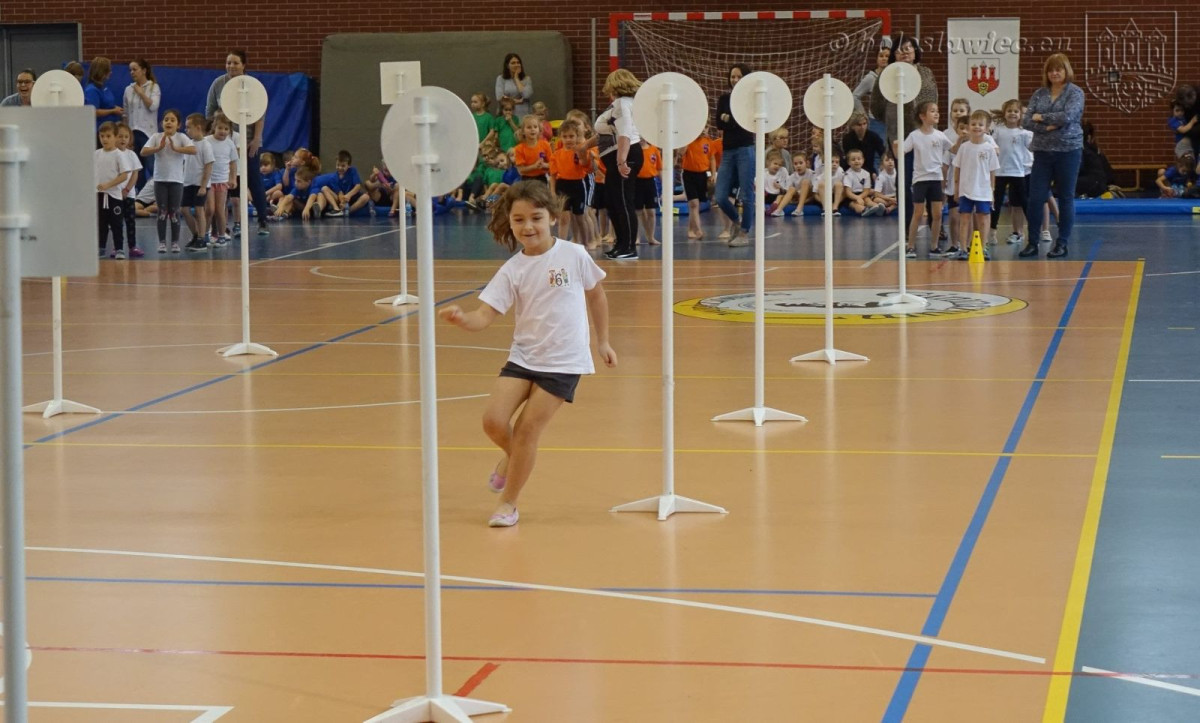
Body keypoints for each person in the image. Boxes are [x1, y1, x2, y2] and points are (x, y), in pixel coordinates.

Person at [437, 180, 616, 528]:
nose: (528, 226)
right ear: (510, 222)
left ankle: (509, 503)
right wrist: (463, 319)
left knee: (526, 432)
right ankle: (515, 458)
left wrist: (603, 341)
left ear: (552, 217)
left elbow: (597, 296)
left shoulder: (574, 255)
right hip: (523, 357)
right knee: (493, 421)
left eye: (535, 217)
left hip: (564, 361)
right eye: (519, 220)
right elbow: (484, 315)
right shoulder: (512, 269)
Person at [870, 33, 938, 233]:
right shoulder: (886, 75)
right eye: (899, 50)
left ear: (915, 51)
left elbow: (932, 101)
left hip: (924, 135)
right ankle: (908, 225)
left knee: (929, 180)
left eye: (908, 48)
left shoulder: (925, 73)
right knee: (905, 180)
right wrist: (892, 121)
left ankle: (935, 224)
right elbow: (876, 106)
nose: (904, 53)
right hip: (898, 135)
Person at [1020, 53, 1085, 259]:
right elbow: (1027, 121)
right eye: (1051, 70)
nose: (1054, 73)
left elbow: (1068, 116)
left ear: (1066, 71)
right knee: (1035, 197)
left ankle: (1062, 243)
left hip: (1068, 151)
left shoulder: (1075, 93)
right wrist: (1049, 125)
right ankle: (1032, 242)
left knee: (1065, 197)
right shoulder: (1040, 93)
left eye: (1059, 69)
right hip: (1042, 152)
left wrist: (1043, 118)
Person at [206, 50, 269, 236]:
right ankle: (221, 225)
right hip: (224, 140)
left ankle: (263, 220)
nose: (231, 66)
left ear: (244, 65)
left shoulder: (250, 85)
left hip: (248, 141)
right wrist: (213, 136)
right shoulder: (218, 84)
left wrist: (256, 139)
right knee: (222, 180)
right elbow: (209, 111)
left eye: (235, 63)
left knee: (253, 180)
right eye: (228, 63)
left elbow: (259, 114)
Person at [590, 69, 644, 260]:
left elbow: (625, 133)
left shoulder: (622, 104)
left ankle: (629, 246)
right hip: (617, 156)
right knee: (613, 202)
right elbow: (606, 133)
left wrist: (621, 160)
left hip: (624, 155)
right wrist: (583, 147)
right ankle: (621, 244)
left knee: (622, 200)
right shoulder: (621, 104)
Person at [141, 109, 196, 254]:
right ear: (162, 123)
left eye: (172, 120)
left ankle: (175, 242)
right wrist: (158, 148)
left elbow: (193, 150)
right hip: (160, 180)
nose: (169, 122)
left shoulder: (181, 137)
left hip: (176, 181)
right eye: (166, 119)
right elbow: (143, 152)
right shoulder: (156, 136)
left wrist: (177, 148)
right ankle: (162, 242)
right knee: (162, 212)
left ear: (178, 125)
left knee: (174, 212)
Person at [713, 63, 755, 247]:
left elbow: (742, 123)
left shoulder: (750, 100)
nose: (735, 80)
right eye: (732, 76)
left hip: (745, 149)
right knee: (720, 195)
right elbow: (719, 123)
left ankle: (744, 232)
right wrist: (729, 119)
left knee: (747, 194)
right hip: (728, 151)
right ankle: (736, 221)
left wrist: (728, 118)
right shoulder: (724, 98)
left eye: (739, 76)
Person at [952, 110, 1001, 260]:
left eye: (980, 125)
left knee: (983, 218)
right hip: (966, 189)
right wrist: (956, 188)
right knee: (965, 218)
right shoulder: (964, 147)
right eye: (973, 124)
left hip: (983, 191)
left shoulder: (989, 149)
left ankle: (983, 247)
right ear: (968, 126)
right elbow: (957, 168)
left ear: (986, 129)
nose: (976, 127)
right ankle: (962, 248)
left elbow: (992, 171)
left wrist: (992, 191)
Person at [902, 101, 948, 257]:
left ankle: (934, 246)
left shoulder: (940, 135)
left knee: (937, 215)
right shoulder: (914, 136)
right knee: (918, 213)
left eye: (937, 111)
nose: (936, 114)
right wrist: (895, 146)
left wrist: (963, 139)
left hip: (936, 179)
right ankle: (910, 246)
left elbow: (953, 148)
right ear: (922, 116)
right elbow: (901, 151)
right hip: (920, 180)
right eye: (932, 111)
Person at [990, 99, 1033, 246]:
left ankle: (1033, 233)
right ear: (1004, 113)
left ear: (1021, 114)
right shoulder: (999, 130)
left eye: (1016, 111)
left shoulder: (1025, 133)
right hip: (1000, 172)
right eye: (1009, 111)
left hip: (1018, 172)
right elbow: (991, 144)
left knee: (1024, 202)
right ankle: (992, 232)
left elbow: (1032, 147)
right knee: (996, 202)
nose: (1012, 114)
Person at [548, 120, 591, 245]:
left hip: (578, 186)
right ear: (560, 137)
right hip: (562, 186)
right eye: (565, 136)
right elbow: (552, 175)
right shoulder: (556, 155)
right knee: (563, 218)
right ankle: (561, 245)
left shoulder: (580, 151)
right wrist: (552, 192)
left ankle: (585, 243)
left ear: (577, 136)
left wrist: (584, 156)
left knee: (579, 217)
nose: (568, 139)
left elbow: (587, 167)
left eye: (571, 136)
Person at [95, 122, 132, 259]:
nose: (105, 139)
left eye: (108, 136)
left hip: (114, 196)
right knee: (101, 223)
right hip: (99, 195)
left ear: (115, 137)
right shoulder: (97, 154)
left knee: (116, 223)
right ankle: (101, 247)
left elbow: (124, 175)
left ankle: (119, 249)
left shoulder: (118, 155)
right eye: (102, 136)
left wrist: (108, 185)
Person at [123, 59, 160, 189]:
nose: (132, 72)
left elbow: (153, 106)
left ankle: (154, 196)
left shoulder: (153, 87)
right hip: (133, 132)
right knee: (136, 168)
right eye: (130, 70)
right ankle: (139, 197)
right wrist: (125, 134)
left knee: (151, 166)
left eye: (135, 69)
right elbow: (126, 113)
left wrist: (141, 93)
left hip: (148, 133)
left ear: (144, 70)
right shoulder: (128, 89)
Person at [181, 113, 214, 252]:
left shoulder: (205, 145)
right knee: (184, 209)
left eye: (188, 127)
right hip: (187, 182)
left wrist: (203, 185)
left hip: (200, 184)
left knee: (199, 210)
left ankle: (202, 238)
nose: (186, 130)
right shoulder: (189, 144)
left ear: (198, 127)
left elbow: (208, 165)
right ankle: (195, 234)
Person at [205, 114, 238, 246]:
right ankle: (205, 234)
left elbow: (233, 162)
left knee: (220, 209)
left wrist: (233, 178)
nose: (223, 131)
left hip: (222, 181)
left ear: (229, 130)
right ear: (214, 127)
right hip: (208, 181)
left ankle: (221, 234)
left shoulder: (230, 144)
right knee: (209, 209)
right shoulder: (207, 141)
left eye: (226, 129)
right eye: (220, 128)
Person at [114, 124, 146, 257]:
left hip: (129, 195)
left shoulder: (131, 155)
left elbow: (134, 174)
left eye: (126, 137)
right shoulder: (112, 154)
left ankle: (132, 246)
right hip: (114, 195)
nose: (123, 139)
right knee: (117, 223)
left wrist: (127, 190)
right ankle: (118, 247)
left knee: (130, 221)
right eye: (120, 136)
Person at [854, 43, 892, 139]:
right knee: (879, 152)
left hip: (894, 121)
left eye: (887, 56)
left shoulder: (895, 77)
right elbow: (855, 96)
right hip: (876, 122)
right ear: (876, 59)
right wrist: (863, 115)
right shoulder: (870, 78)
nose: (884, 58)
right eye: (881, 56)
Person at [680, 133, 715, 236]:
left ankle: (691, 229)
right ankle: (698, 230)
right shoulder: (689, 139)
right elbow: (681, 153)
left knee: (696, 205)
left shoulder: (708, 141)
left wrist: (713, 174)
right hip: (688, 174)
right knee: (693, 203)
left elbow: (712, 158)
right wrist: (689, 139)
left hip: (702, 175)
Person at [843, 148, 886, 216]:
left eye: (859, 159)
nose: (856, 161)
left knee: (867, 200)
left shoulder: (866, 174)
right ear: (848, 162)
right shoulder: (848, 174)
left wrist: (860, 197)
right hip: (851, 196)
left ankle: (876, 207)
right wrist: (857, 198)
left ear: (863, 160)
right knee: (854, 205)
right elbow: (848, 192)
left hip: (862, 194)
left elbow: (866, 190)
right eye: (853, 159)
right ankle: (863, 210)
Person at [84, 57, 122, 131]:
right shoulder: (91, 90)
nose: (111, 72)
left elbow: (107, 104)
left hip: (111, 129)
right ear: (102, 71)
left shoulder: (104, 87)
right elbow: (94, 112)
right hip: (100, 131)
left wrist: (115, 108)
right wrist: (113, 111)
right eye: (108, 70)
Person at [514, 115, 552, 182]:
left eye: (535, 127)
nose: (532, 129)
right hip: (526, 179)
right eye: (529, 127)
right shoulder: (519, 148)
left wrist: (544, 165)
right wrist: (534, 166)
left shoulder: (545, 144)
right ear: (523, 131)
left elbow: (552, 164)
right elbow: (521, 170)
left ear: (539, 129)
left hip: (541, 178)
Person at [495, 53, 533, 118]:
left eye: (518, 62)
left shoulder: (527, 79)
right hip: (506, 114)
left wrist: (516, 78)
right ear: (507, 65)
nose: (516, 65)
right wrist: (518, 101)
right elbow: (500, 98)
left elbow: (526, 95)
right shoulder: (501, 79)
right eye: (513, 63)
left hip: (523, 114)